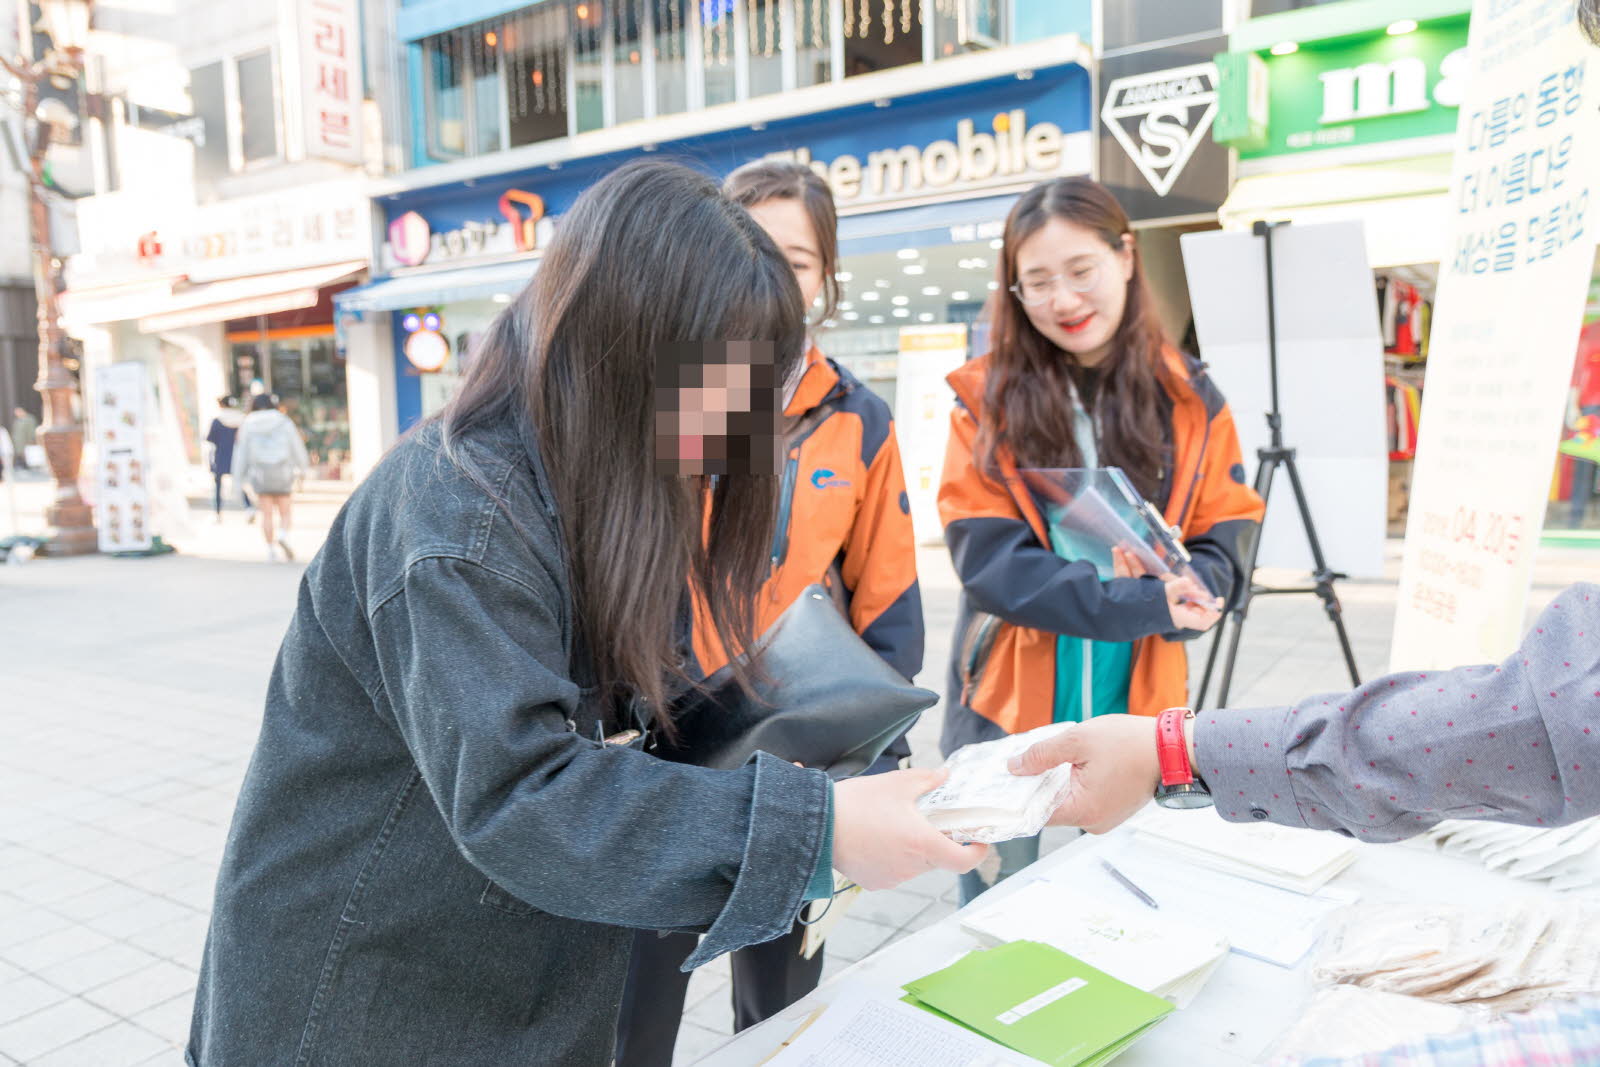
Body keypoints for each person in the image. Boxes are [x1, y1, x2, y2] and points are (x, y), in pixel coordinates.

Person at [186, 160, 985, 1067]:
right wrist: (819, 826)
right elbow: (524, 797)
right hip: (368, 991)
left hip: (497, 973)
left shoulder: (596, 486)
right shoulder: (458, 517)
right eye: (725, 381)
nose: (734, 429)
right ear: (625, 346)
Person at [614, 160, 925, 1064]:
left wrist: (870, 753)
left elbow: (889, 602)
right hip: (670, 761)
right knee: (634, 1017)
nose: (771, 277)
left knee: (780, 1015)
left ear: (825, 278)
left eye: (795, 258)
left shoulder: (856, 418)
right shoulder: (694, 397)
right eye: (747, 248)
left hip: (798, 769)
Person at [938, 176, 1264, 903]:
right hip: (1009, 698)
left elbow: (1227, 529)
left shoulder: (1191, 396)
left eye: (1080, 270)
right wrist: (1132, 601)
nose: (1064, 299)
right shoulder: (983, 401)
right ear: (1015, 292)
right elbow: (988, 562)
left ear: (1125, 256)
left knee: (1125, 899)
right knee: (997, 902)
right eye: (1038, 282)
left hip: (1138, 699)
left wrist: (1198, 586)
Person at [1009, 582, 1600, 841]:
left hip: (1148, 671)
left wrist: (1175, 749)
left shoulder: (1187, 391)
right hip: (1019, 675)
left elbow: (1539, 720)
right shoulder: (978, 395)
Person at [230, 393, 309, 561]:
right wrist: (303, 468)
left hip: (259, 472)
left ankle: (270, 549)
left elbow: (241, 453)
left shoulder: (248, 423)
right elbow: (296, 445)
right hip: (283, 470)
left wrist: (238, 478)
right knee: (285, 510)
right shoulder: (283, 421)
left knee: (266, 513)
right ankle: (283, 535)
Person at [203, 396, 251, 522]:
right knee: (239, 484)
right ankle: (248, 508)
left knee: (218, 485)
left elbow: (210, 438)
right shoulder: (242, 420)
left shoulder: (218, 420)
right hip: (237, 456)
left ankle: (218, 513)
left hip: (220, 456)